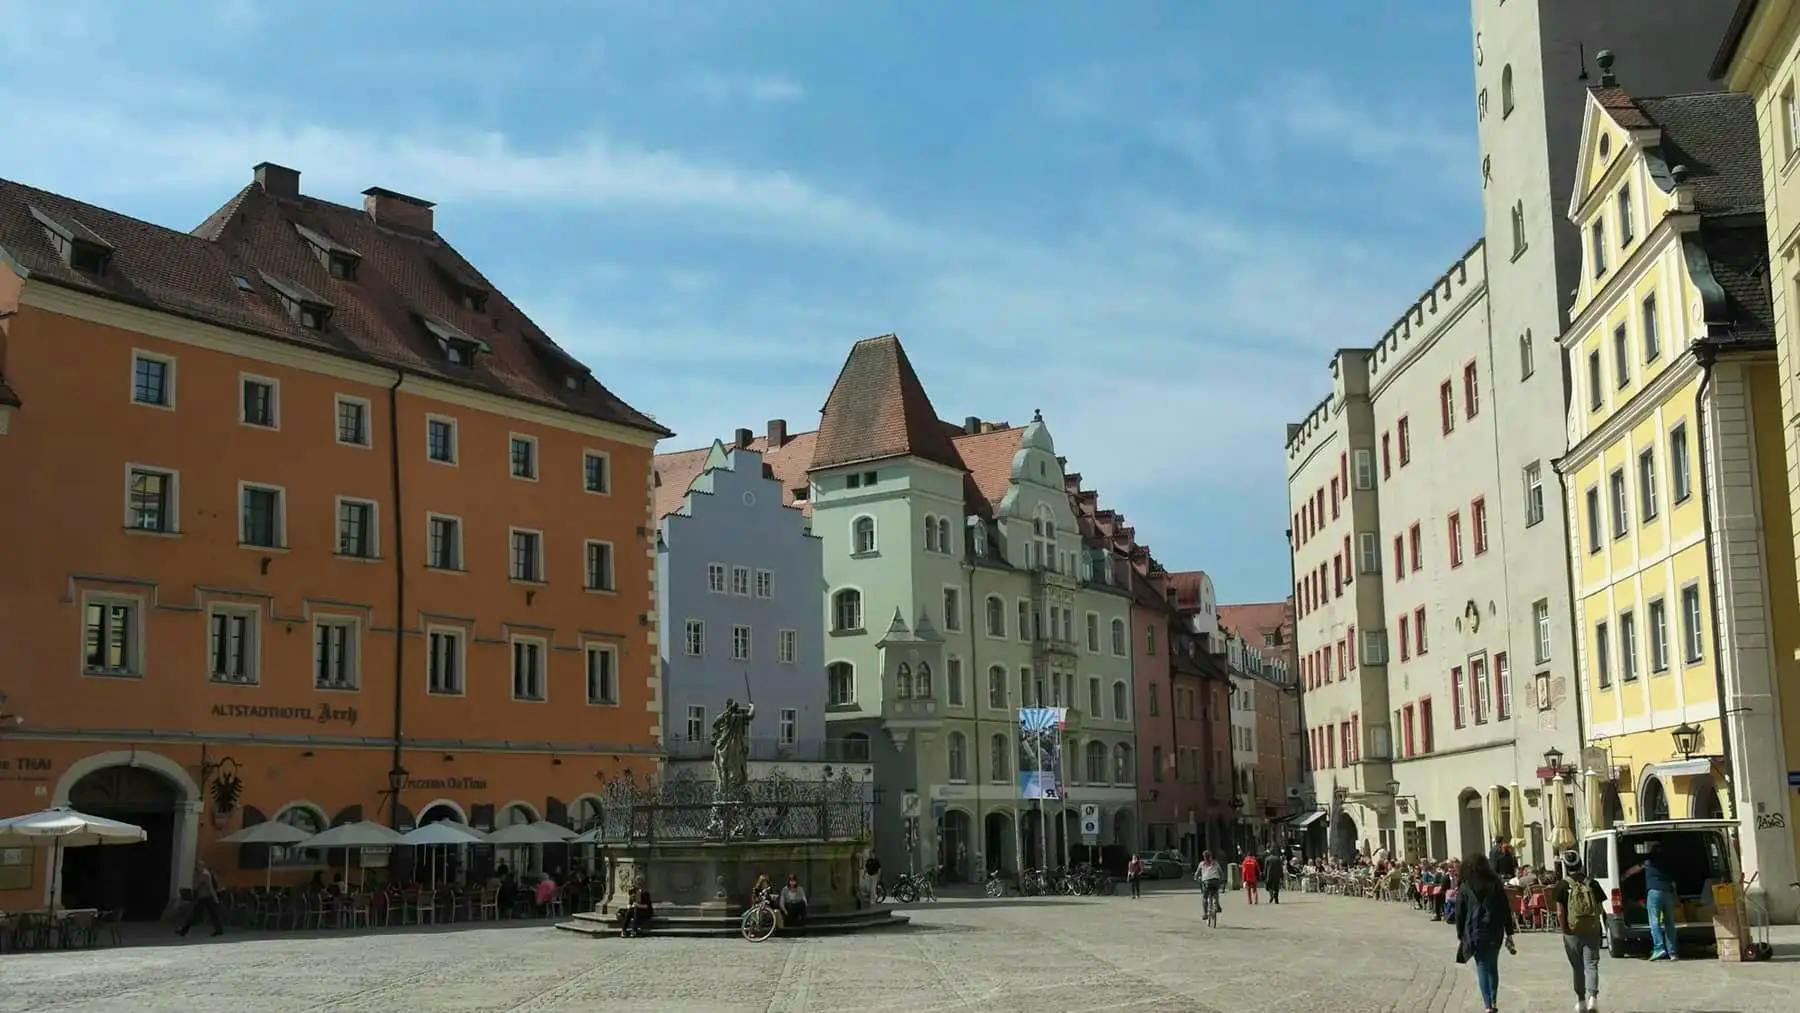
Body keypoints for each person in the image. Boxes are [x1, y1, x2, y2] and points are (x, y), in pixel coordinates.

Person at [1456, 852, 1517, 1013]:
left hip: (1475, 931)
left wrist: (1460, 934)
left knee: (1482, 966)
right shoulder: (1496, 885)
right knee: (1492, 966)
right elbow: (1505, 910)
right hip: (1495, 930)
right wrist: (1509, 932)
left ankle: (1488, 1005)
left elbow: (1459, 913)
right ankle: (1494, 1001)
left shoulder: (1465, 886)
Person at [1554, 850, 1605, 1012]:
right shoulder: (1592, 884)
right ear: (1581, 864)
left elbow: (1560, 912)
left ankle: (1581, 1001)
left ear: (1566, 866)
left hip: (1572, 932)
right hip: (1591, 930)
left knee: (1577, 968)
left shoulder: (1562, 886)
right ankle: (1593, 999)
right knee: (1591, 965)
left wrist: (1565, 930)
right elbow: (1600, 909)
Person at [1623, 845, 1678, 960]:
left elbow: (1634, 870)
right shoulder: (1668, 863)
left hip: (1654, 893)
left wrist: (1623, 877)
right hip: (1668, 892)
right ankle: (1672, 952)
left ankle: (1659, 948)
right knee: (1669, 923)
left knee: (1654, 921)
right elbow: (1673, 883)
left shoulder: (1648, 862)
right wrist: (1676, 897)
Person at [177, 860, 224, 937]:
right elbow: (195, 887)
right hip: (201, 898)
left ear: (202, 866)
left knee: (213, 915)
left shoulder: (205, 874)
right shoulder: (198, 874)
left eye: (199, 866)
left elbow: (210, 887)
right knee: (196, 915)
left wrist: (215, 898)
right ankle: (183, 931)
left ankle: (219, 930)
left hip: (207, 898)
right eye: (197, 866)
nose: (197, 867)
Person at [1196, 850, 1224, 918]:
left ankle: (1205, 913)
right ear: (1211, 856)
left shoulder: (1201, 864)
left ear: (1204, 857)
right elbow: (1221, 873)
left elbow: (1197, 873)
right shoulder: (1216, 863)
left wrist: (1196, 878)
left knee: (1205, 897)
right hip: (1215, 881)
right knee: (1216, 891)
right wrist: (1222, 879)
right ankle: (1216, 904)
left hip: (1206, 882)